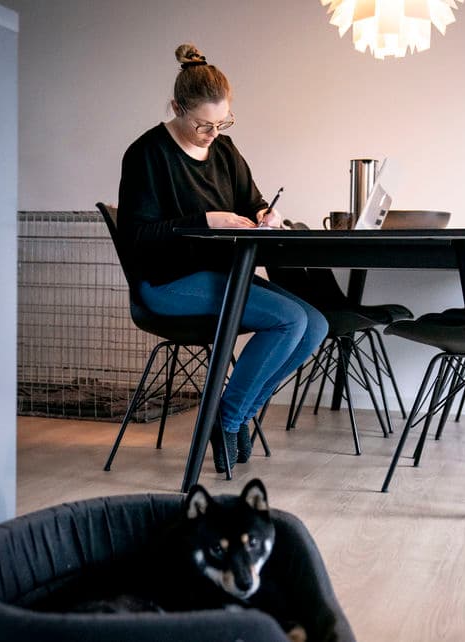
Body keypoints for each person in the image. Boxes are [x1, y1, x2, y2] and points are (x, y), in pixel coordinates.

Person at [117, 43, 328, 473]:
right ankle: (227, 419)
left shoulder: (226, 151)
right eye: (204, 124)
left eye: (222, 122)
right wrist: (205, 220)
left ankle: (237, 413)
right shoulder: (147, 154)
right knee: (289, 320)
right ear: (177, 108)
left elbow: (253, 202)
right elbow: (136, 236)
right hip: (166, 282)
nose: (213, 133)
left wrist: (266, 215)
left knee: (315, 325)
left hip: (221, 275)